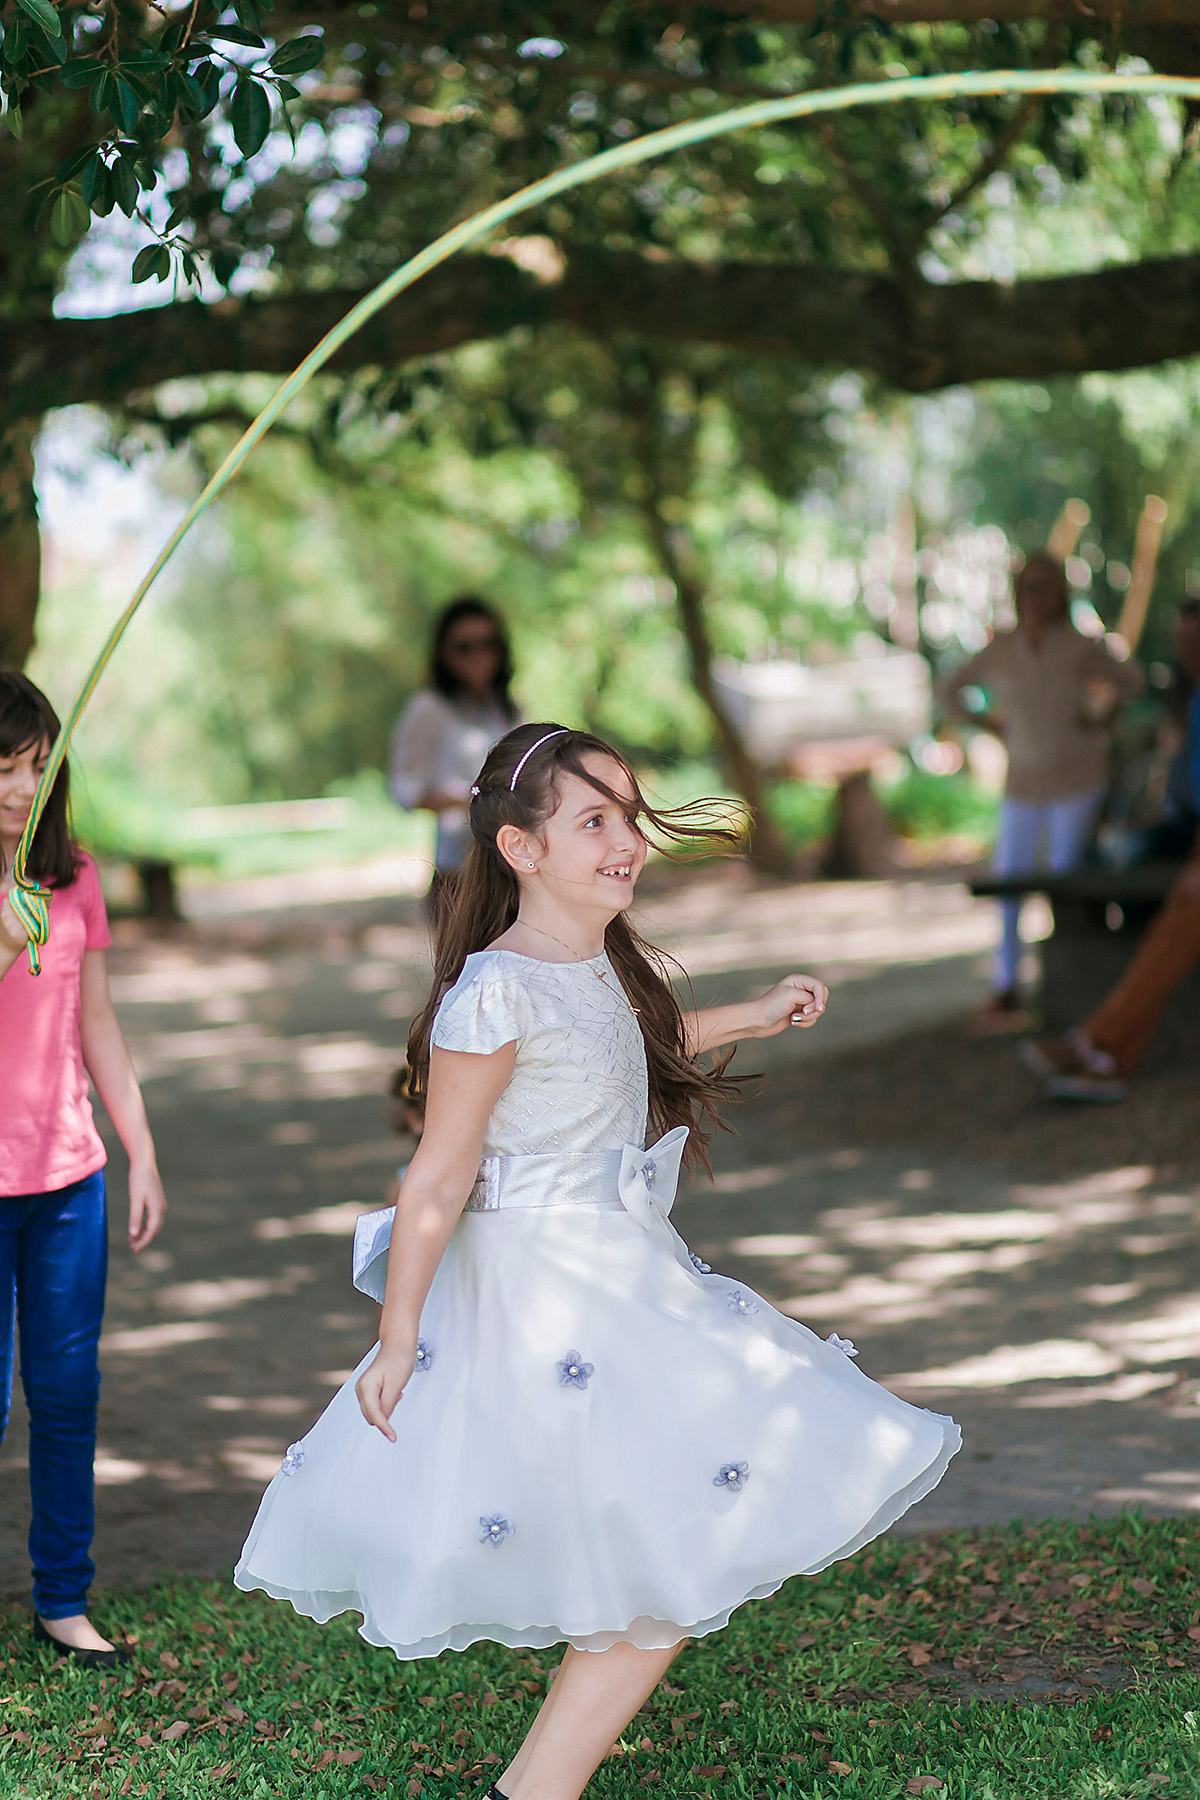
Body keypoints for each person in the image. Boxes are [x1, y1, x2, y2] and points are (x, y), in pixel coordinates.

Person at [235, 722, 960, 1800]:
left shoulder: (592, 968)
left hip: (624, 1268)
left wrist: (755, 1017)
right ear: (522, 851)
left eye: (630, 816)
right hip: (552, 1290)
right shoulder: (493, 991)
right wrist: (396, 1339)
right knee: (665, 1541)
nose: (628, 840)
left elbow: (633, 1042)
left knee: (675, 1534)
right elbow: (436, 1180)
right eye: (594, 822)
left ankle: (533, 1791)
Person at [0, 672, 166, 1666]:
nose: (20, 787)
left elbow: (95, 1020)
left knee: (66, 1395)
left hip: (67, 1179)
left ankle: (64, 1600)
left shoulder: (73, 874)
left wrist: (140, 1148)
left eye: (33, 765)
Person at [937, 551, 1143, 1030]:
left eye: (1046, 585)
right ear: (1017, 591)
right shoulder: (1003, 648)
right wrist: (988, 723)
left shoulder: (1079, 644)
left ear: (1062, 592)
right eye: (1028, 586)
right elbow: (950, 690)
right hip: (1023, 784)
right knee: (1009, 880)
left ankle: (1065, 985)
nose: (1037, 596)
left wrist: (1102, 715)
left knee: (1064, 882)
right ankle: (1006, 986)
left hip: (1078, 780)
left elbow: (1130, 680)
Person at [1020, 600, 1200, 1100]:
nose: (1187, 651)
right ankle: (1104, 1053)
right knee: (1156, 901)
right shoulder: (1189, 697)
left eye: (1196, 640)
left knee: (1186, 913)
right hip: (1184, 832)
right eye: (1182, 640)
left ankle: (1101, 1044)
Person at [388, 597, 521, 914]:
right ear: (444, 652)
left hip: (515, 870)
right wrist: (474, 801)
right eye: (465, 646)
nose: (478, 655)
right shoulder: (429, 708)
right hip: (460, 874)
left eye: (488, 643)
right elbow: (404, 789)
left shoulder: (506, 709)